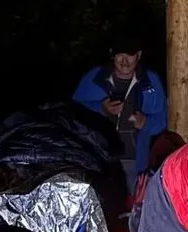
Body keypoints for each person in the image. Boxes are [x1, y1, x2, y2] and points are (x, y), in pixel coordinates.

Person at [72, 34, 168, 194]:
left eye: (129, 55)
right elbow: (73, 112)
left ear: (138, 56)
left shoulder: (151, 81)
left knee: (133, 208)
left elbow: (163, 119)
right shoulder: (95, 78)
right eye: (120, 55)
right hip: (99, 160)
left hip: (135, 161)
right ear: (112, 55)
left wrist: (146, 123)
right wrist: (101, 108)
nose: (125, 61)